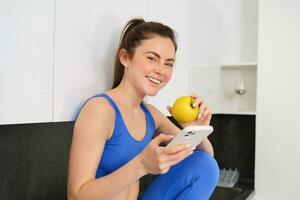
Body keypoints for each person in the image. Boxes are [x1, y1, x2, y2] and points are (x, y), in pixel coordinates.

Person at [67, 18, 219, 200]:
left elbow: (203, 158)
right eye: (152, 58)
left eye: (168, 63)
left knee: (206, 165)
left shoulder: (150, 114)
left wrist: (194, 128)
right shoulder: (100, 110)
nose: (161, 71)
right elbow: (76, 195)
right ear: (125, 58)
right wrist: (141, 165)